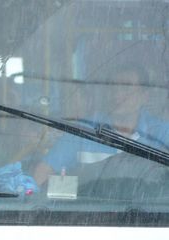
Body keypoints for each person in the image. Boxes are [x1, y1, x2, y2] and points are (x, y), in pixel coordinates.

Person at [32, 64, 169, 186]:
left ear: (144, 96)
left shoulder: (162, 133)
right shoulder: (83, 131)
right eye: (113, 88)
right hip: (90, 211)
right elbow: (43, 172)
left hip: (146, 212)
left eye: (126, 88)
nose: (117, 94)